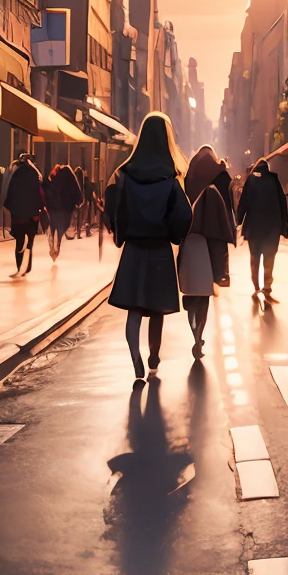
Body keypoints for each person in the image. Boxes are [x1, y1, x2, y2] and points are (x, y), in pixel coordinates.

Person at [107, 112, 192, 381]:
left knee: (134, 308)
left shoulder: (124, 175)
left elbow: (115, 208)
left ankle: (135, 357)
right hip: (159, 249)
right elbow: (184, 215)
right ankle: (154, 356)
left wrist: (119, 234)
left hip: (133, 248)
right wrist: (175, 234)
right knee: (157, 309)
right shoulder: (170, 178)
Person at [179, 146, 235, 355]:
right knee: (203, 295)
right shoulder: (219, 179)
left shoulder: (189, 178)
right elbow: (226, 212)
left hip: (189, 241)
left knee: (192, 294)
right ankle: (199, 335)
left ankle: (195, 332)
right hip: (210, 241)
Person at [236, 158, 288, 299]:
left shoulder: (251, 181)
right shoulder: (274, 181)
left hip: (254, 228)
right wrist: (284, 226)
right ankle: (267, 287)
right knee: (269, 258)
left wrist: (238, 220)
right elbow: (282, 203)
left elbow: (244, 203)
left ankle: (256, 288)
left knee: (254, 258)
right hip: (272, 227)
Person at [3, 149, 46, 276]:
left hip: (19, 216)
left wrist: (11, 209)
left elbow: (8, 193)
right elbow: (39, 191)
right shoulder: (34, 173)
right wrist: (39, 208)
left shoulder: (15, 174)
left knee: (20, 241)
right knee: (30, 241)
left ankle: (19, 267)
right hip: (32, 215)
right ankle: (28, 267)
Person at [45, 160, 83, 261]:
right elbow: (76, 189)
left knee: (53, 224)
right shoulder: (70, 176)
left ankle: (52, 238)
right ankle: (57, 244)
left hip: (53, 207)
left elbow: (47, 187)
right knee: (62, 227)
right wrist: (79, 201)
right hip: (66, 207)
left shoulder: (54, 176)